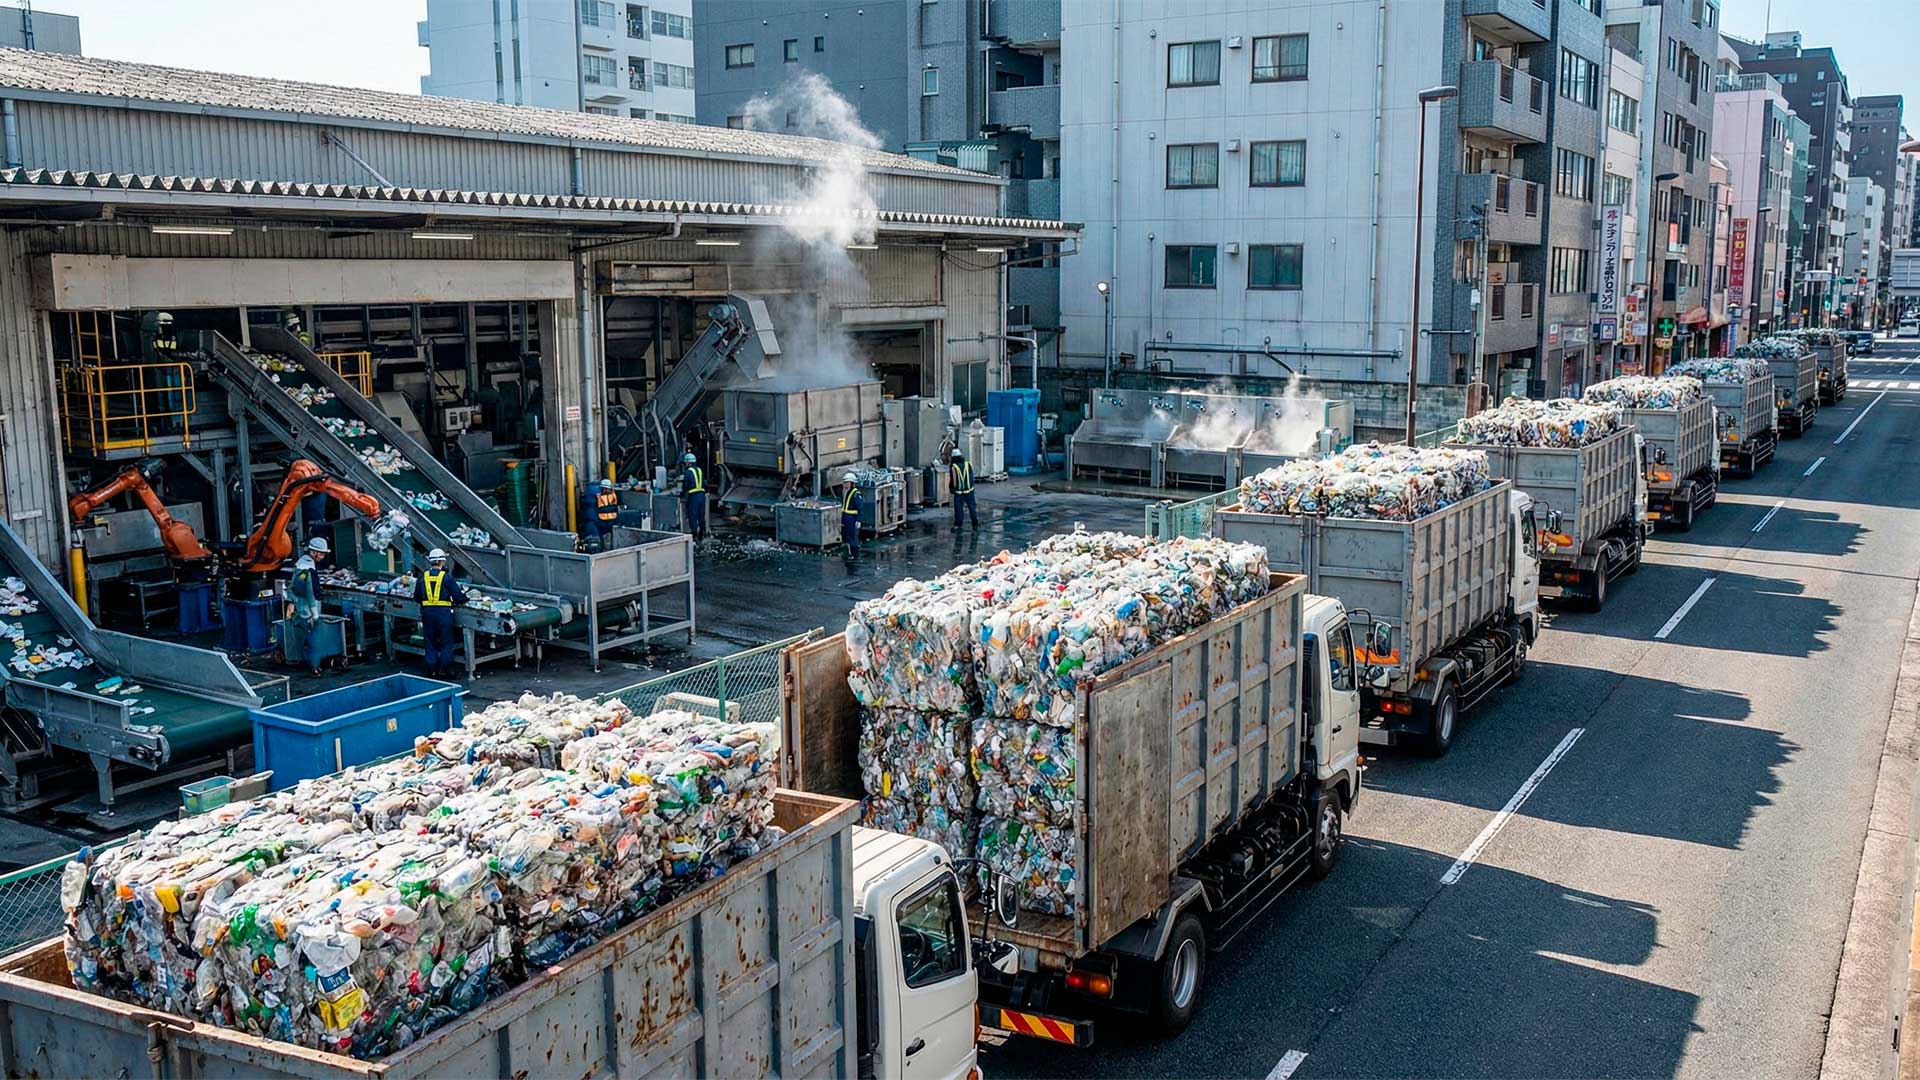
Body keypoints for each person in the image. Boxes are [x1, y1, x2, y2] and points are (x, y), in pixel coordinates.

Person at [413, 547, 467, 678]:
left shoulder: (422, 577)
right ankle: (447, 669)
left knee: (430, 640)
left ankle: (431, 669)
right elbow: (458, 598)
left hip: (427, 613)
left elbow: (417, 597)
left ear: (430, 562)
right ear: (442, 562)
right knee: (446, 641)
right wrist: (465, 598)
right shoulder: (447, 578)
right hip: (443, 613)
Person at [287, 536, 327, 676]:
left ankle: (312, 662)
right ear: (313, 552)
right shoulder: (304, 567)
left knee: (310, 634)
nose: (322, 556)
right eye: (321, 553)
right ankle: (313, 665)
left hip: (307, 605)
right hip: (307, 607)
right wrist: (313, 610)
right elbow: (301, 588)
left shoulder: (307, 564)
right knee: (312, 635)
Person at [680, 452, 708, 540]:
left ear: (688, 463)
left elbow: (685, 486)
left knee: (693, 516)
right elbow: (704, 483)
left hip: (693, 496)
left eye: (685, 463)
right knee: (701, 515)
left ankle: (694, 535)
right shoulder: (700, 470)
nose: (685, 465)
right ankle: (703, 534)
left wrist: (682, 494)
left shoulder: (688, 472)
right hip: (702, 495)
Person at [949, 449, 979, 530]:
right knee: (972, 507)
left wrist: (952, 489)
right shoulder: (967, 464)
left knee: (959, 508)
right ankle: (975, 523)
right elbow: (972, 477)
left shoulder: (953, 467)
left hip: (959, 492)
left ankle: (958, 524)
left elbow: (954, 482)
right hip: (969, 490)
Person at [585, 479, 619, 551]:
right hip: (609, 523)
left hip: (602, 523)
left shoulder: (595, 497)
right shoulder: (613, 496)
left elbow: (590, 515)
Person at [840, 472, 863, 553]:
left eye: (848, 483)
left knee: (853, 538)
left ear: (852, 483)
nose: (846, 485)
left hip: (852, 518)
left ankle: (855, 555)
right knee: (846, 537)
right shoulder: (847, 492)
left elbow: (860, 508)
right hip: (846, 517)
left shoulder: (856, 494)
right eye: (845, 483)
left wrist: (858, 520)